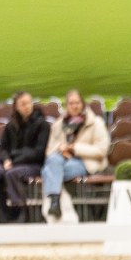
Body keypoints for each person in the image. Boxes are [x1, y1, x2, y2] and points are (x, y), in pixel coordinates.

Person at [41, 90, 111, 219]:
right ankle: (55, 203)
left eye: (77, 103)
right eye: (71, 103)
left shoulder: (96, 123)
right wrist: (60, 147)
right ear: (66, 105)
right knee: (53, 160)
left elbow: (102, 150)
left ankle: (54, 202)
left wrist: (75, 148)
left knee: (47, 171)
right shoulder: (58, 124)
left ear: (82, 104)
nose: (74, 106)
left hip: (86, 162)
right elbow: (49, 152)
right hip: (62, 160)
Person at [1, 92, 51, 222]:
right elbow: (3, 148)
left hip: (34, 165)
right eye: (23, 104)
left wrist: (14, 160)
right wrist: (6, 159)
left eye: (29, 103)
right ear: (16, 106)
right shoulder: (11, 126)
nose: (27, 106)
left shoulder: (42, 125)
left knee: (12, 174)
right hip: (12, 163)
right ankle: (3, 213)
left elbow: (38, 152)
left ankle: (21, 211)